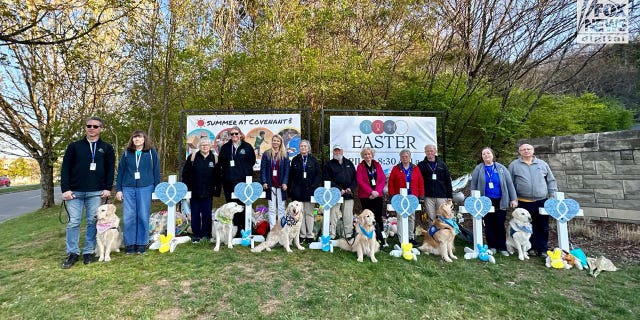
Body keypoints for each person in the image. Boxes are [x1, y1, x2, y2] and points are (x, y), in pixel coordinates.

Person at [60, 116, 115, 268]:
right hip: (74, 192)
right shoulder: (74, 146)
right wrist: (65, 189)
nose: (92, 128)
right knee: (74, 222)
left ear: (101, 129)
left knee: (92, 222)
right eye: (89, 126)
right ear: (85, 128)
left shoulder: (107, 148)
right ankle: (72, 253)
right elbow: (65, 168)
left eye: (95, 126)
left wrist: (107, 188)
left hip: (96, 192)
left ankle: (88, 252)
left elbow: (110, 170)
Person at [509, 143, 558, 258]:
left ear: (533, 150)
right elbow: (509, 183)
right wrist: (513, 198)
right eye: (523, 149)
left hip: (541, 201)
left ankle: (542, 249)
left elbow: (551, 180)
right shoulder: (514, 165)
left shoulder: (542, 164)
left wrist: (552, 196)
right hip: (523, 202)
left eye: (528, 149)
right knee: (525, 227)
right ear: (520, 152)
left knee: (542, 226)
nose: (526, 151)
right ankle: (529, 248)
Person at [115, 130, 161, 254]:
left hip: (146, 187)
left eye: (139, 137)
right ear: (132, 140)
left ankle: (141, 243)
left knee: (143, 215)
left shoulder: (151, 152)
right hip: (128, 187)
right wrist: (118, 189)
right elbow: (120, 172)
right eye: (135, 137)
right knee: (129, 216)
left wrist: (157, 189)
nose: (137, 139)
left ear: (144, 139)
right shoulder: (126, 153)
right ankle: (130, 244)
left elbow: (156, 171)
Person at [470, 147, 518, 256]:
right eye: (484, 154)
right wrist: (473, 200)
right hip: (485, 201)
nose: (486, 155)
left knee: (500, 224)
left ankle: (502, 247)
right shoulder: (479, 169)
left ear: (492, 155)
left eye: (488, 153)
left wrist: (513, 198)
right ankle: (492, 246)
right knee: (489, 224)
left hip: (500, 200)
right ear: (481, 156)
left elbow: (510, 184)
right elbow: (473, 184)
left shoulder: (501, 168)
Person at [181, 137, 221, 244]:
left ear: (210, 146)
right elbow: (185, 174)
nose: (204, 146)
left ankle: (206, 235)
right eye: (202, 145)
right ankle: (196, 235)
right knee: (195, 214)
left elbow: (218, 176)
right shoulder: (192, 157)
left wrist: (217, 190)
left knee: (207, 214)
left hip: (208, 192)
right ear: (199, 146)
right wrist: (187, 188)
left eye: (206, 145)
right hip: (195, 192)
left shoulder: (215, 158)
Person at [218, 126, 256, 236]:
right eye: (232, 134)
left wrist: (243, 171)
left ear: (240, 134)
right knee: (231, 207)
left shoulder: (247, 147)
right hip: (228, 182)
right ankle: (233, 230)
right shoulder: (225, 147)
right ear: (230, 136)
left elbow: (252, 161)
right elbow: (221, 162)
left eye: (236, 133)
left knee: (242, 205)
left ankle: (244, 229)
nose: (234, 136)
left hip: (243, 182)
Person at [387, 149, 425, 246]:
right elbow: (391, 182)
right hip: (400, 197)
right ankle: (401, 239)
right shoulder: (396, 168)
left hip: (412, 197)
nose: (404, 158)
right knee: (400, 217)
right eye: (402, 156)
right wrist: (392, 195)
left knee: (411, 217)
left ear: (410, 157)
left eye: (406, 156)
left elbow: (420, 182)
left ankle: (410, 237)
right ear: (400, 158)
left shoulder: (415, 168)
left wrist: (421, 195)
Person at [288, 140, 322, 244]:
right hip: (297, 192)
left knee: (309, 213)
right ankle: (301, 235)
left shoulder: (313, 160)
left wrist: (314, 187)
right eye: (301, 146)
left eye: (305, 146)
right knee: (299, 214)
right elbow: (291, 176)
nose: (303, 148)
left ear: (308, 148)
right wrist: (291, 190)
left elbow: (318, 175)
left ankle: (310, 236)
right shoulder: (295, 160)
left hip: (310, 191)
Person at [323, 145, 357, 239]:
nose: (337, 152)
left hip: (348, 194)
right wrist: (338, 189)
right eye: (335, 151)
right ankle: (332, 235)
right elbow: (327, 179)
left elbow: (355, 178)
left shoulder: (349, 163)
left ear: (342, 151)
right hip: (334, 194)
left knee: (348, 216)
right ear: (333, 152)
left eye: (339, 150)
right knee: (333, 215)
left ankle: (347, 234)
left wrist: (351, 188)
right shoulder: (328, 164)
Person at [356, 147, 387, 246]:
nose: (367, 156)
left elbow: (382, 179)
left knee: (377, 216)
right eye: (365, 154)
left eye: (369, 154)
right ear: (363, 156)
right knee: (367, 218)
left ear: (372, 155)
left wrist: (377, 192)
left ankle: (381, 239)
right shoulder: (360, 166)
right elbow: (360, 181)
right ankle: (367, 238)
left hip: (377, 195)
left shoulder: (377, 165)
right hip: (366, 196)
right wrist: (371, 192)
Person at [260, 134, 290, 229]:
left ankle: (281, 230)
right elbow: (263, 169)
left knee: (281, 208)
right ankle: (273, 230)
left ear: (281, 142)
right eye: (274, 140)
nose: (275, 142)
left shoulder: (285, 154)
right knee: (272, 209)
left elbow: (287, 170)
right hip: (270, 185)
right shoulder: (267, 154)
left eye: (277, 141)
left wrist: (285, 182)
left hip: (281, 186)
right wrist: (264, 181)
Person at [417, 144, 453, 223]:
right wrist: (420, 195)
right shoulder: (421, 165)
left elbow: (448, 181)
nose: (429, 152)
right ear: (425, 152)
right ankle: (433, 234)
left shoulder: (442, 164)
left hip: (441, 195)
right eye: (427, 151)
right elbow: (418, 181)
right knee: (431, 218)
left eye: (431, 151)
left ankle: (443, 234)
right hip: (428, 196)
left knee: (443, 217)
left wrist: (449, 196)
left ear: (435, 151)